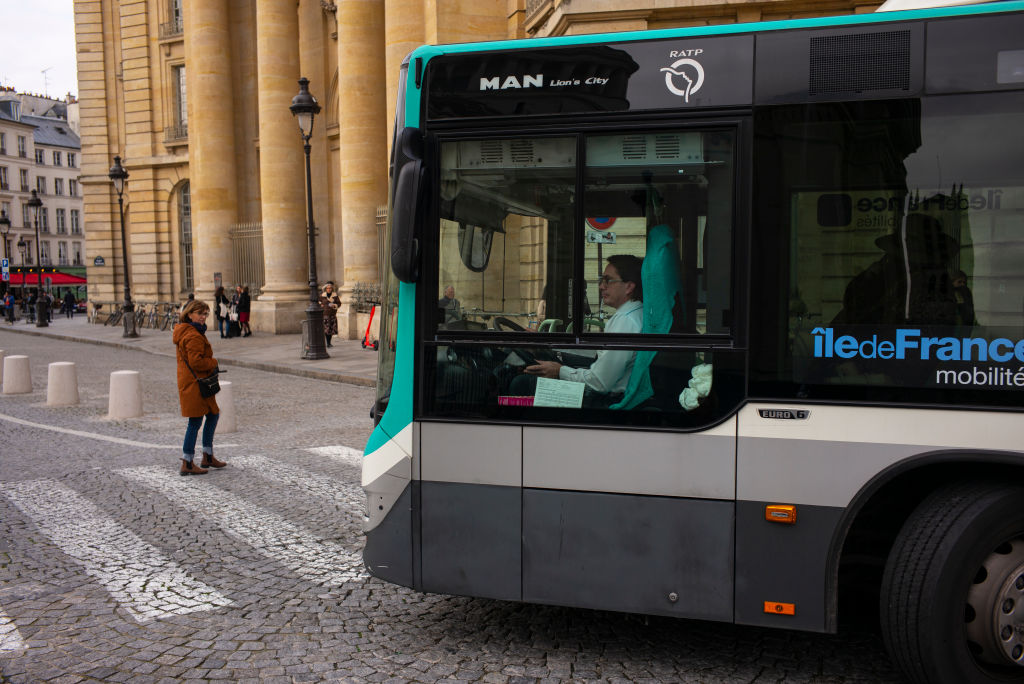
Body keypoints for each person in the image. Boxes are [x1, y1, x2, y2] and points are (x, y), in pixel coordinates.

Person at [519, 255, 644, 401]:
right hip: (606, 391)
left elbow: (599, 383)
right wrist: (553, 352)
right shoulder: (633, 313)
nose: (601, 286)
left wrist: (559, 371)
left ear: (629, 286)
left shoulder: (625, 321)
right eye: (601, 280)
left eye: (608, 280)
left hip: (603, 400)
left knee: (522, 383)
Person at [172, 299, 227, 475]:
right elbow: (196, 362)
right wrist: (213, 362)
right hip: (195, 384)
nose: (203, 317)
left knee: (213, 414)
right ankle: (187, 461)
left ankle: (207, 456)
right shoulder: (193, 334)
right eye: (200, 313)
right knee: (195, 421)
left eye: (205, 314)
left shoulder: (189, 331)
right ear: (189, 314)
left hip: (194, 382)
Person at [320, 281, 341, 347]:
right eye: (327, 288)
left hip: (332, 315)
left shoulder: (335, 295)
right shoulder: (322, 296)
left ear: (332, 289)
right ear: (325, 289)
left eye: (330, 288)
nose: (329, 289)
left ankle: (329, 342)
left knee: (331, 329)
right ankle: (328, 343)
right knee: (326, 329)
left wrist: (334, 305)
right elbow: (318, 302)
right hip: (325, 315)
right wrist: (321, 305)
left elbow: (339, 303)